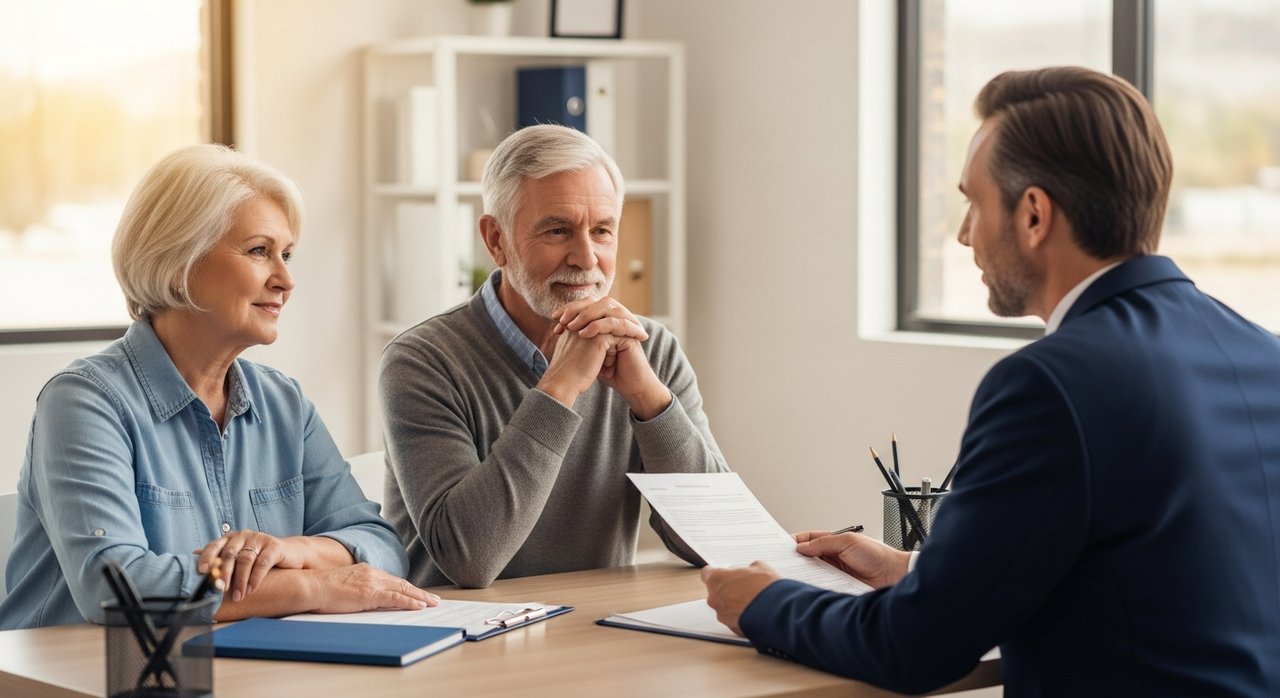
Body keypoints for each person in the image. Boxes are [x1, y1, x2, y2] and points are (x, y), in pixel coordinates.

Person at [701, 66, 1280, 695]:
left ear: (1033, 214)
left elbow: (916, 649)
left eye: (973, 202)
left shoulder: (1048, 385)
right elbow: (1160, 578)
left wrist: (763, 602)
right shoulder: (1262, 352)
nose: (964, 233)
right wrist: (917, 571)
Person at [0, 144, 437, 629]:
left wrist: (292, 551)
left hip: (229, 671)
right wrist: (314, 584)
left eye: (287, 254)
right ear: (179, 262)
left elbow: (381, 546)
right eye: (259, 251)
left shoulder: (284, 404)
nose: (286, 279)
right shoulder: (83, 401)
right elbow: (116, 585)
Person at [380, 124, 728, 588]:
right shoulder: (422, 361)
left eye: (602, 231)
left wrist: (647, 396)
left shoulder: (652, 349)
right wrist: (559, 387)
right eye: (558, 230)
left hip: (590, 634)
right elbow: (469, 560)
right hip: (454, 641)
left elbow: (716, 541)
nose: (586, 258)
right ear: (496, 240)